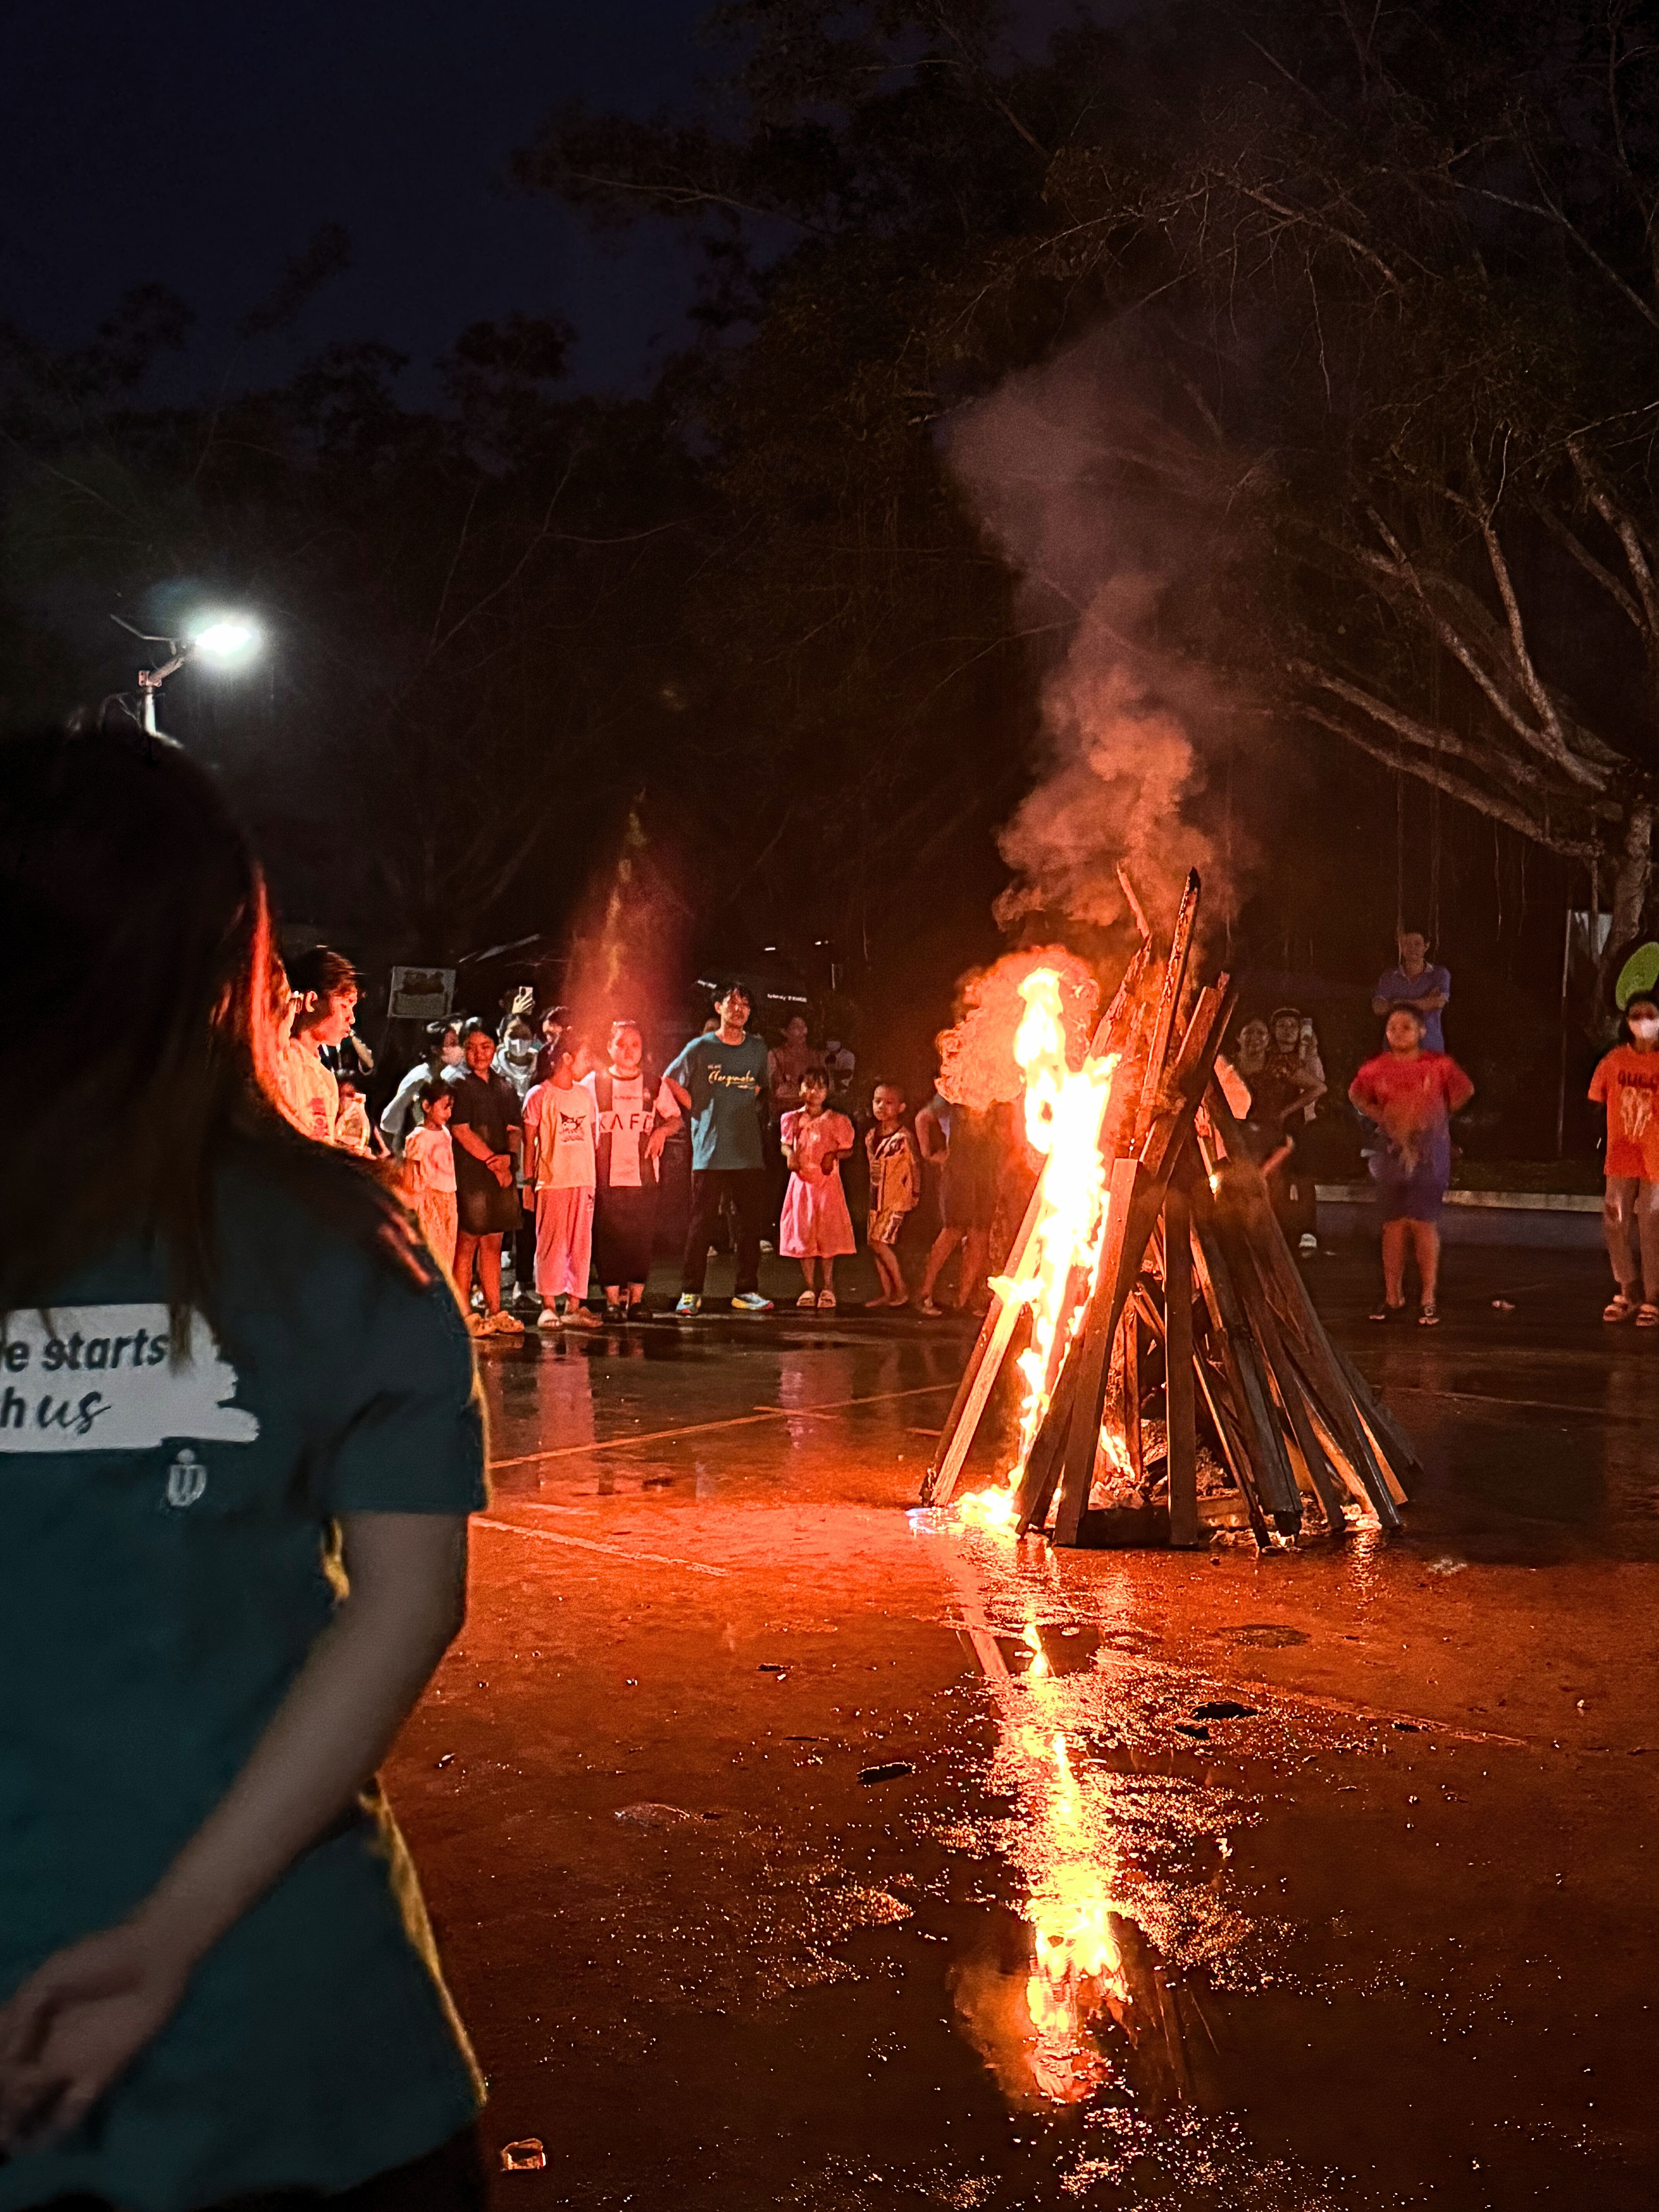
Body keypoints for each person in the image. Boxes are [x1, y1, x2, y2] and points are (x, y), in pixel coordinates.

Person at [0, 714, 487, 2209]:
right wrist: (173, 1935)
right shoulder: (349, 1235)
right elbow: (407, 1603)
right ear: (228, 956)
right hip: (307, 2045)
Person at [1348, 1006, 1474, 1325]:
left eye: (1406, 1026)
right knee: (1393, 1223)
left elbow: (1465, 1091)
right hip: (1391, 1151)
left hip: (1429, 1152)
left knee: (1423, 1222)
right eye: (1392, 1027)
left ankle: (1428, 1298)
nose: (1398, 1032)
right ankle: (1393, 1297)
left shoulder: (1439, 1066)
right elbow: (1357, 1095)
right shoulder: (1376, 1068)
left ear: (1421, 1031)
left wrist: (1437, 1116)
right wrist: (1382, 1117)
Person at [664, 983, 775, 1316]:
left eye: (745, 1003)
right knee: (702, 1224)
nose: (739, 1009)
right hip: (709, 1152)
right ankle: (691, 1292)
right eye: (732, 1002)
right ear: (718, 1007)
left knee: (747, 1225)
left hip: (746, 1152)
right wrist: (696, 1106)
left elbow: (759, 1087)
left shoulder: (757, 1048)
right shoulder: (701, 1048)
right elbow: (670, 1080)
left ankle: (746, 1290)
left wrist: (738, 1105)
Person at [584, 1020, 681, 1321]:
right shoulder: (593, 1083)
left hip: (644, 1176)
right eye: (621, 1044)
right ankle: (613, 1303)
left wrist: (661, 1133)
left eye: (635, 1045)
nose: (628, 1051)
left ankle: (637, 1301)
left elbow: (676, 1119)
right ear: (609, 1047)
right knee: (608, 1238)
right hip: (604, 1176)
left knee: (640, 1238)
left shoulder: (654, 1084)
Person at [444, 1019, 525, 1336]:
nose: (479, 1054)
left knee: (495, 1242)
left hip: (501, 1175)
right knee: (468, 1243)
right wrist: (494, 1162)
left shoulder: (504, 1086)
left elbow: (514, 1130)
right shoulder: (457, 1084)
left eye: (486, 1046)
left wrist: (510, 1161)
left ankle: (496, 1309)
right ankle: (464, 1313)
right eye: (472, 1047)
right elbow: (461, 1131)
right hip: (473, 1175)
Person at [1589, 993, 1659, 1326]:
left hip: (1656, 1155)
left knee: (1651, 1220)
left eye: (1650, 1014)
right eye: (1636, 1014)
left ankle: (1654, 1295)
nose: (1643, 1020)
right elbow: (1597, 1099)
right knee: (1614, 1219)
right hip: (1622, 1152)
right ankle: (1628, 1287)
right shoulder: (1614, 1061)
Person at [522, 1042, 599, 1330]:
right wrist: (529, 1182)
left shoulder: (585, 1095)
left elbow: (592, 1138)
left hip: (583, 1179)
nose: (587, 1062)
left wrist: (593, 1178)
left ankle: (575, 1304)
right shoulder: (539, 1095)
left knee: (581, 1243)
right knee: (552, 1244)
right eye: (583, 1055)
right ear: (566, 1059)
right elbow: (528, 1144)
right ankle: (549, 1304)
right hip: (553, 1181)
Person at [916, 1093, 1010, 1319]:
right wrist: (927, 1153)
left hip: (986, 1173)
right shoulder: (958, 1088)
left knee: (980, 1233)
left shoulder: (1000, 1087)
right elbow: (923, 1118)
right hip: (959, 1174)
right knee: (953, 1230)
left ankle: (962, 1301)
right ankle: (923, 1294)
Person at [1247, 1007, 1327, 1252]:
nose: (1288, 1031)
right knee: (1273, 1176)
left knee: (1301, 1178)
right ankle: (1273, 1231)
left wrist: (1311, 1053)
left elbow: (1318, 1084)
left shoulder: (1305, 1055)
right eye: (1282, 1026)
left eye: (1293, 1026)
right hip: (1268, 1125)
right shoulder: (1267, 1057)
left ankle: (1306, 1230)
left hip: (1299, 1122)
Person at [779, 1070, 857, 1308]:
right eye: (809, 1087)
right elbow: (785, 1144)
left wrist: (833, 1155)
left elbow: (848, 1149)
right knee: (804, 1233)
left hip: (827, 1185)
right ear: (801, 1089)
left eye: (820, 1088)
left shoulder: (837, 1121)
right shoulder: (791, 1119)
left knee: (827, 1233)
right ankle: (810, 1287)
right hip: (802, 1183)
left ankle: (828, 1288)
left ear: (827, 1091)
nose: (814, 1093)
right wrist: (790, 1154)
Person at [276, 946, 361, 1144]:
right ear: (312, 1002)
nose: (352, 1018)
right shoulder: (285, 1063)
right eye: (344, 1005)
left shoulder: (326, 1078)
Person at [865, 1081, 922, 1307]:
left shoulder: (904, 1138)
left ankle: (902, 1289)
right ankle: (887, 1293)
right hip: (875, 1198)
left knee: (880, 1241)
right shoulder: (871, 1136)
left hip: (897, 1198)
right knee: (874, 1242)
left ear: (901, 1108)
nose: (882, 1107)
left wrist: (916, 1192)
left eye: (889, 1103)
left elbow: (916, 1165)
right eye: (878, 1102)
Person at [403, 1079, 459, 1278]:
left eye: (450, 1108)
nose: (449, 1114)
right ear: (427, 1106)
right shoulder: (417, 1137)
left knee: (448, 1251)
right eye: (444, 1107)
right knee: (432, 1253)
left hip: (448, 1197)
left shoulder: (445, 1132)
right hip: (429, 1200)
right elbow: (410, 1174)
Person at [380, 1022, 463, 1154]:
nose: (457, 1049)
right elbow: (391, 1118)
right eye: (452, 1044)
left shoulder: (443, 1076)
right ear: (436, 1049)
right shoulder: (420, 1078)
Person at [1372, 928, 1452, 1054]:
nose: (1412, 948)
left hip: (1430, 1050)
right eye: (1407, 944)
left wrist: (1396, 1004)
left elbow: (1438, 1003)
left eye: (1417, 944)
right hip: (1395, 1052)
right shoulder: (1389, 977)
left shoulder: (1439, 974)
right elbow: (1378, 1008)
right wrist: (1423, 1002)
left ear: (1426, 946)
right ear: (1401, 946)